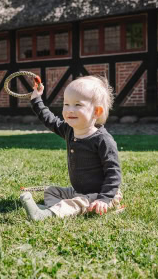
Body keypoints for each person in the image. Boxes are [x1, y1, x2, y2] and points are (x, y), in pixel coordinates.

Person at [20, 75, 123, 221]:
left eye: (78, 105)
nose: (69, 110)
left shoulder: (103, 140)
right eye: (66, 104)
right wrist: (37, 99)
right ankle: (56, 210)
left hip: (102, 195)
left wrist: (104, 199)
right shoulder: (69, 129)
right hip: (78, 192)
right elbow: (49, 119)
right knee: (52, 191)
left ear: (97, 112)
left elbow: (114, 173)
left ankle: (47, 215)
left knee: (79, 202)